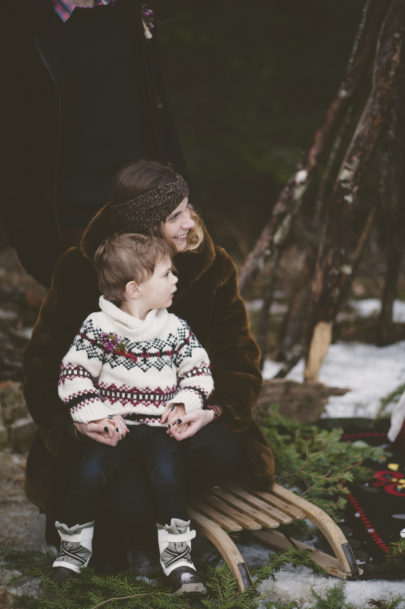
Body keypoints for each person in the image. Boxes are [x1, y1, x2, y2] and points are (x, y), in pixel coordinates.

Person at [23, 159, 274, 580]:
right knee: (125, 496)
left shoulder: (214, 268)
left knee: (225, 450)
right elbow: (45, 367)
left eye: (188, 208)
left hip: (176, 422)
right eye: (175, 215)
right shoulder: (80, 270)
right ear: (146, 226)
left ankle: (134, 499)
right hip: (107, 428)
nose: (190, 222)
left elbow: (239, 360)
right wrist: (77, 424)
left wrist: (210, 411)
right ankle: (119, 507)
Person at [52, 233, 213, 594]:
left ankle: (179, 561)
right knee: (88, 475)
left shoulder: (174, 329)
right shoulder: (100, 328)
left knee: (169, 479)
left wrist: (185, 403)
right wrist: (93, 414)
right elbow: (75, 372)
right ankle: (72, 554)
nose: (175, 280)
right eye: (167, 274)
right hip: (115, 426)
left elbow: (198, 371)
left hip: (160, 428)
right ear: (134, 289)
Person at [1, 0, 185, 287]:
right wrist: (34, 241)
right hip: (73, 228)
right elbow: (13, 144)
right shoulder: (20, 25)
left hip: (148, 215)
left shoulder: (130, 13)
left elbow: (157, 113)